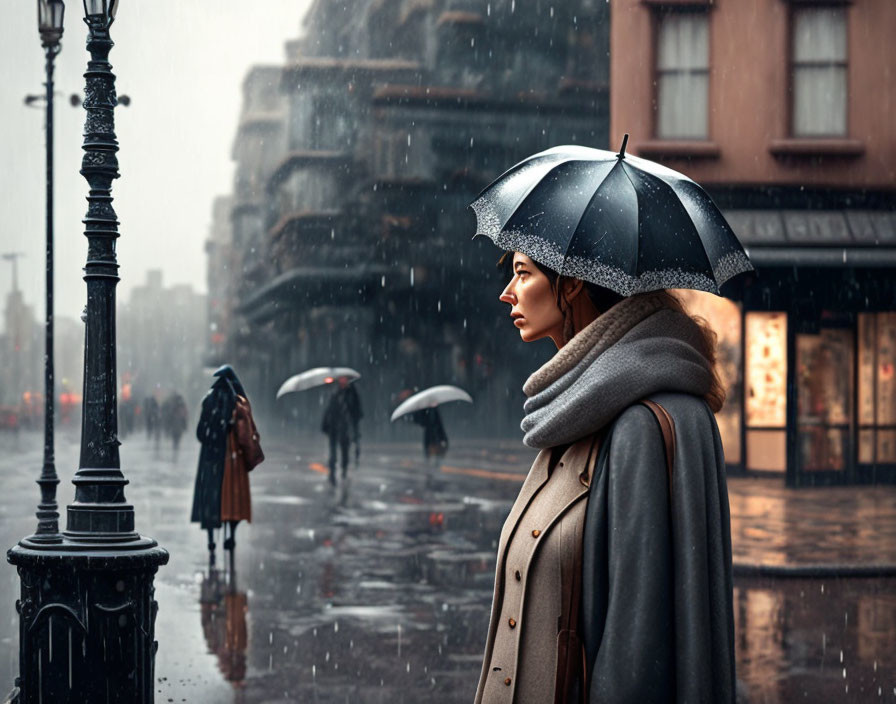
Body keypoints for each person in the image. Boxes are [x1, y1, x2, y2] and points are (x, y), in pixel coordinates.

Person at [474, 252, 735, 703]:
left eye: (522, 274)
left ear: (571, 282)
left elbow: (635, 655)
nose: (507, 292)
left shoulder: (635, 425)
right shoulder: (578, 412)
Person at [191, 366, 263, 565]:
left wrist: (212, 436)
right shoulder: (238, 403)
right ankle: (230, 535)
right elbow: (246, 434)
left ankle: (211, 540)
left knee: (212, 501)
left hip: (210, 458)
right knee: (232, 499)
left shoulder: (209, 401)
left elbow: (200, 433)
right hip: (232, 457)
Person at [321, 377, 361, 485]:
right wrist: (325, 424)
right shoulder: (335, 392)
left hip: (345, 428)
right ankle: (332, 472)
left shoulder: (352, 393)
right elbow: (329, 409)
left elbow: (356, 411)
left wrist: (353, 426)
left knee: (344, 451)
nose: (342, 381)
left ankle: (344, 471)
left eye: (344, 379)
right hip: (333, 427)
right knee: (333, 452)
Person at [162, 392, 189, 459]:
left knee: (175, 437)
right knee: (177, 437)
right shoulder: (181, 406)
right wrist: (185, 426)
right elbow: (184, 417)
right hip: (177, 426)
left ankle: (175, 447)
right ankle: (176, 447)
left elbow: (170, 417)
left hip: (175, 426)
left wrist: (168, 427)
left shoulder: (174, 406)